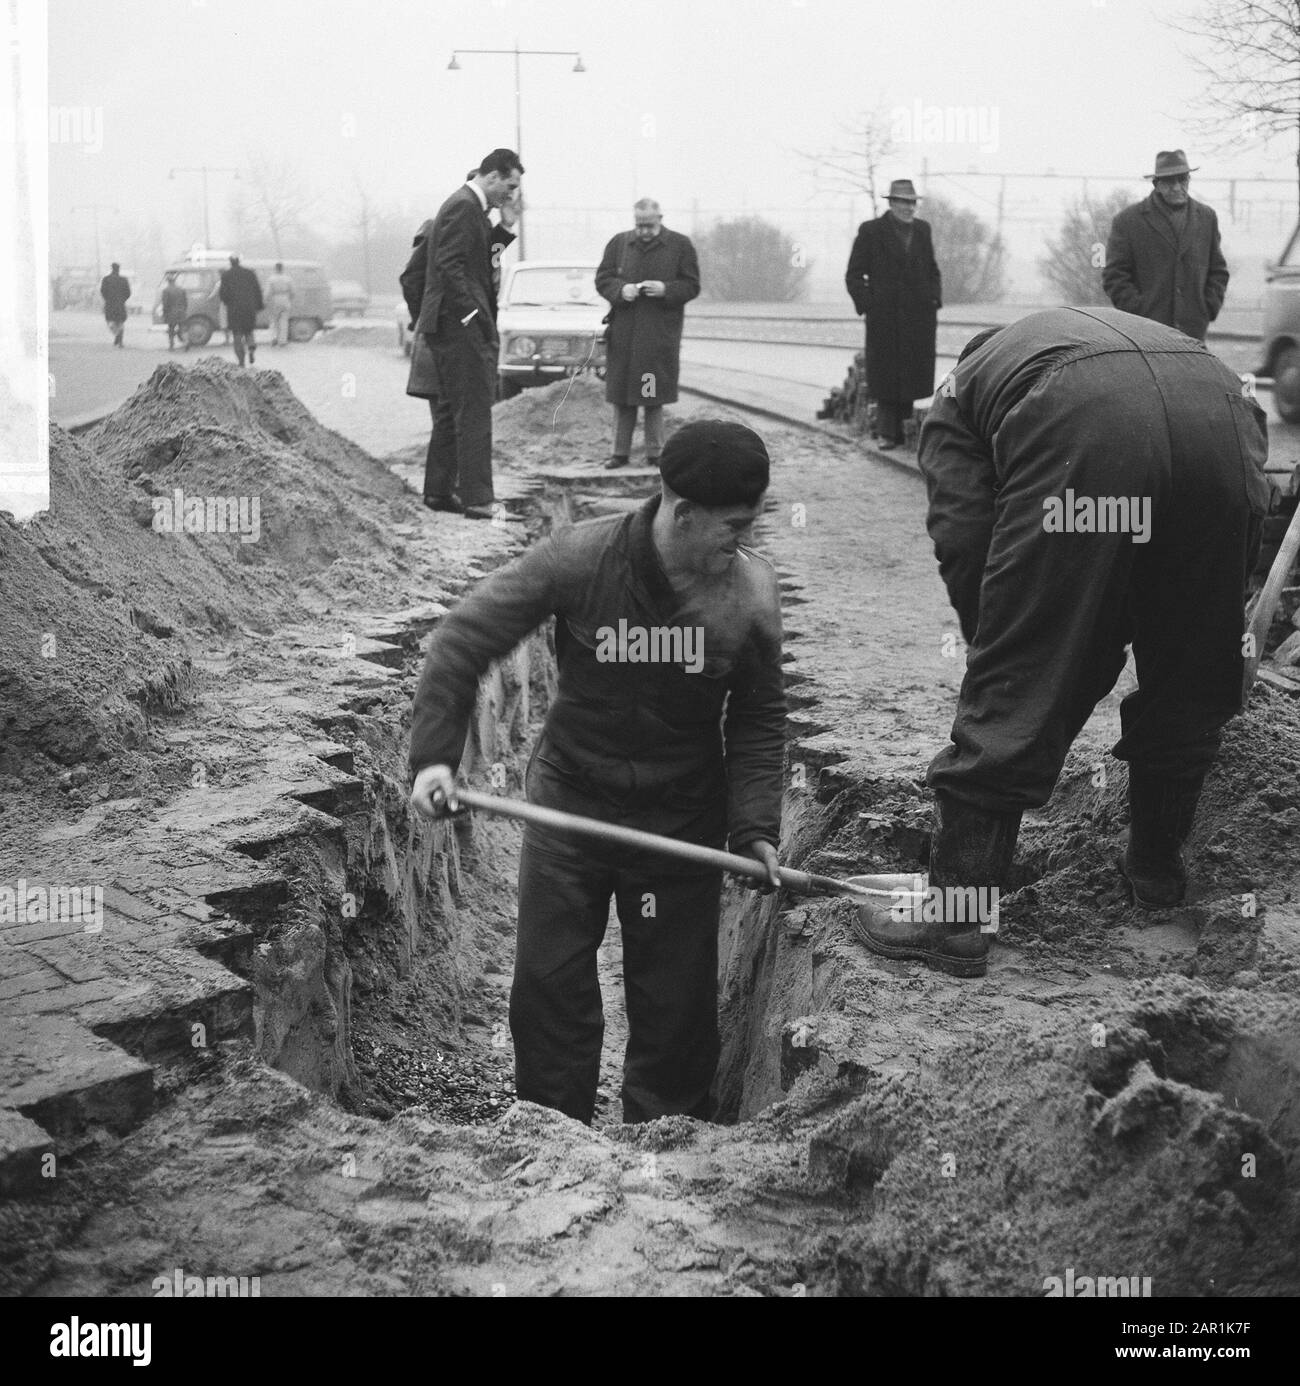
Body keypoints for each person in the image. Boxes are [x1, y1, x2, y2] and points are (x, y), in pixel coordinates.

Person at [854, 307, 1269, 979]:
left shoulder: (959, 398)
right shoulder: (1071, 341)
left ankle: (958, 917)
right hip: (1225, 417)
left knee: (1019, 678)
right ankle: (1157, 873)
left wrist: (1017, 651)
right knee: (1193, 666)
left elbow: (966, 538)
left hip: (1091, 433)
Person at [408, 420, 786, 1125]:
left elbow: (761, 717)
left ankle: (666, 1151)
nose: (743, 541)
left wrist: (755, 827)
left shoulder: (751, 595)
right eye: (732, 527)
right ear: (682, 513)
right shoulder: (579, 559)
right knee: (550, 991)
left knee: (675, 1009)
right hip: (569, 816)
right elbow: (462, 639)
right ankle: (553, 1139)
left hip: (680, 822)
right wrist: (434, 756)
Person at [409, 149, 524, 520]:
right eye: (509, 186)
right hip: (460, 327)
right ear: (492, 177)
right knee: (474, 411)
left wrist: (505, 228)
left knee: (449, 411)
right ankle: (478, 500)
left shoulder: (469, 208)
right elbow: (449, 266)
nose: (511, 194)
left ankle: (439, 492)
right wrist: (472, 315)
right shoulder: (463, 207)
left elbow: (479, 258)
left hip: (451, 325)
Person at [595, 199, 700, 470]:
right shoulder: (618, 244)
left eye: (649, 226)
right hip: (624, 334)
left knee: (651, 394)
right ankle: (619, 453)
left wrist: (666, 290)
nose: (643, 231)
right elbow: (603, 279)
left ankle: (656, 452)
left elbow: (692, 285)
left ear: (660, 219)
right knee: (621, 396)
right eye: (639, 225)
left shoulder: (680, 245)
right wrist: (621, 290)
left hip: (658, 335)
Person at [844, 179, 942, 450]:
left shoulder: (923, 230)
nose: (908, 208)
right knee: (887, 373)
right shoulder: (871, 231)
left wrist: (933, 299)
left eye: (912, 202)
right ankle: (887, 433)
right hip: (884, 318)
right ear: (891, 203)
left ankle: (906, 432)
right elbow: (854, 274)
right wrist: (869, 304)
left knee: (911, 372)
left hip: (918, 317)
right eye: (902, 202)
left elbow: (932, 269)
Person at [1103, 149, 1229, 342]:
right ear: (1156, 184)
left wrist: (1207, 307)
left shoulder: (1206, 217)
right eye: (1170, 181)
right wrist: (1138, 312)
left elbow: (1218, 271)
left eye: (1183, 180)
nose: (1177, 187)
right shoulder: (1128, 221)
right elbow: (1114, 275)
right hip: (1146, 335)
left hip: (1193, 333)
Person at [218, 255, 263, 367]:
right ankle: (251, 348)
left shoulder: (226, 275)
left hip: (234, 309)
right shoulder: (250, 273)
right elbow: (257, 290)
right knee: (248, 331)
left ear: (230, 262)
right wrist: (258, 306)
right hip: (249, 308)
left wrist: (228, 302)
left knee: (237, 335)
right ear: (239, 261)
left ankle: (241, 361)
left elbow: (223, 294)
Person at [100, 262, 130, 347]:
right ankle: (120, 340)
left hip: (110, 305)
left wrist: (108, 299)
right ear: (119, 269)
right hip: (120, 305)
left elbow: (103, 291)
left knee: (110, 322)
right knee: (120, 322)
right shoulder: (124, 280)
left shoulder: (106, 279)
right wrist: (122, 300)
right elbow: (128, 293)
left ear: (112, 268)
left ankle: (116, 335)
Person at [265, 261, 294, 347]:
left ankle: (273, 338)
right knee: (284, 321)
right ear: (282, 269)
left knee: (273, 321)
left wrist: (266, 300)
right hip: (285, 298)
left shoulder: (271, 279)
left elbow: (267, 292)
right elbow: (293, 292)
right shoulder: (288, 279)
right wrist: (289, 299)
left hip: (275, 299)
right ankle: (283, 341)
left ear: (275, 269)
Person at [160, 272, 188, 351]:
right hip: (181, 312)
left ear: (168, 281)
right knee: (183, 328)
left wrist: (164, 313)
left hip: (171, 313)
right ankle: (186, 342)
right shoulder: (181, 289)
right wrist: (184, 310)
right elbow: (185, 302)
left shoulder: (166, 290)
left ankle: (171, 346)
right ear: (175, 281)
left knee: (171, 329)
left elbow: (165, 304)